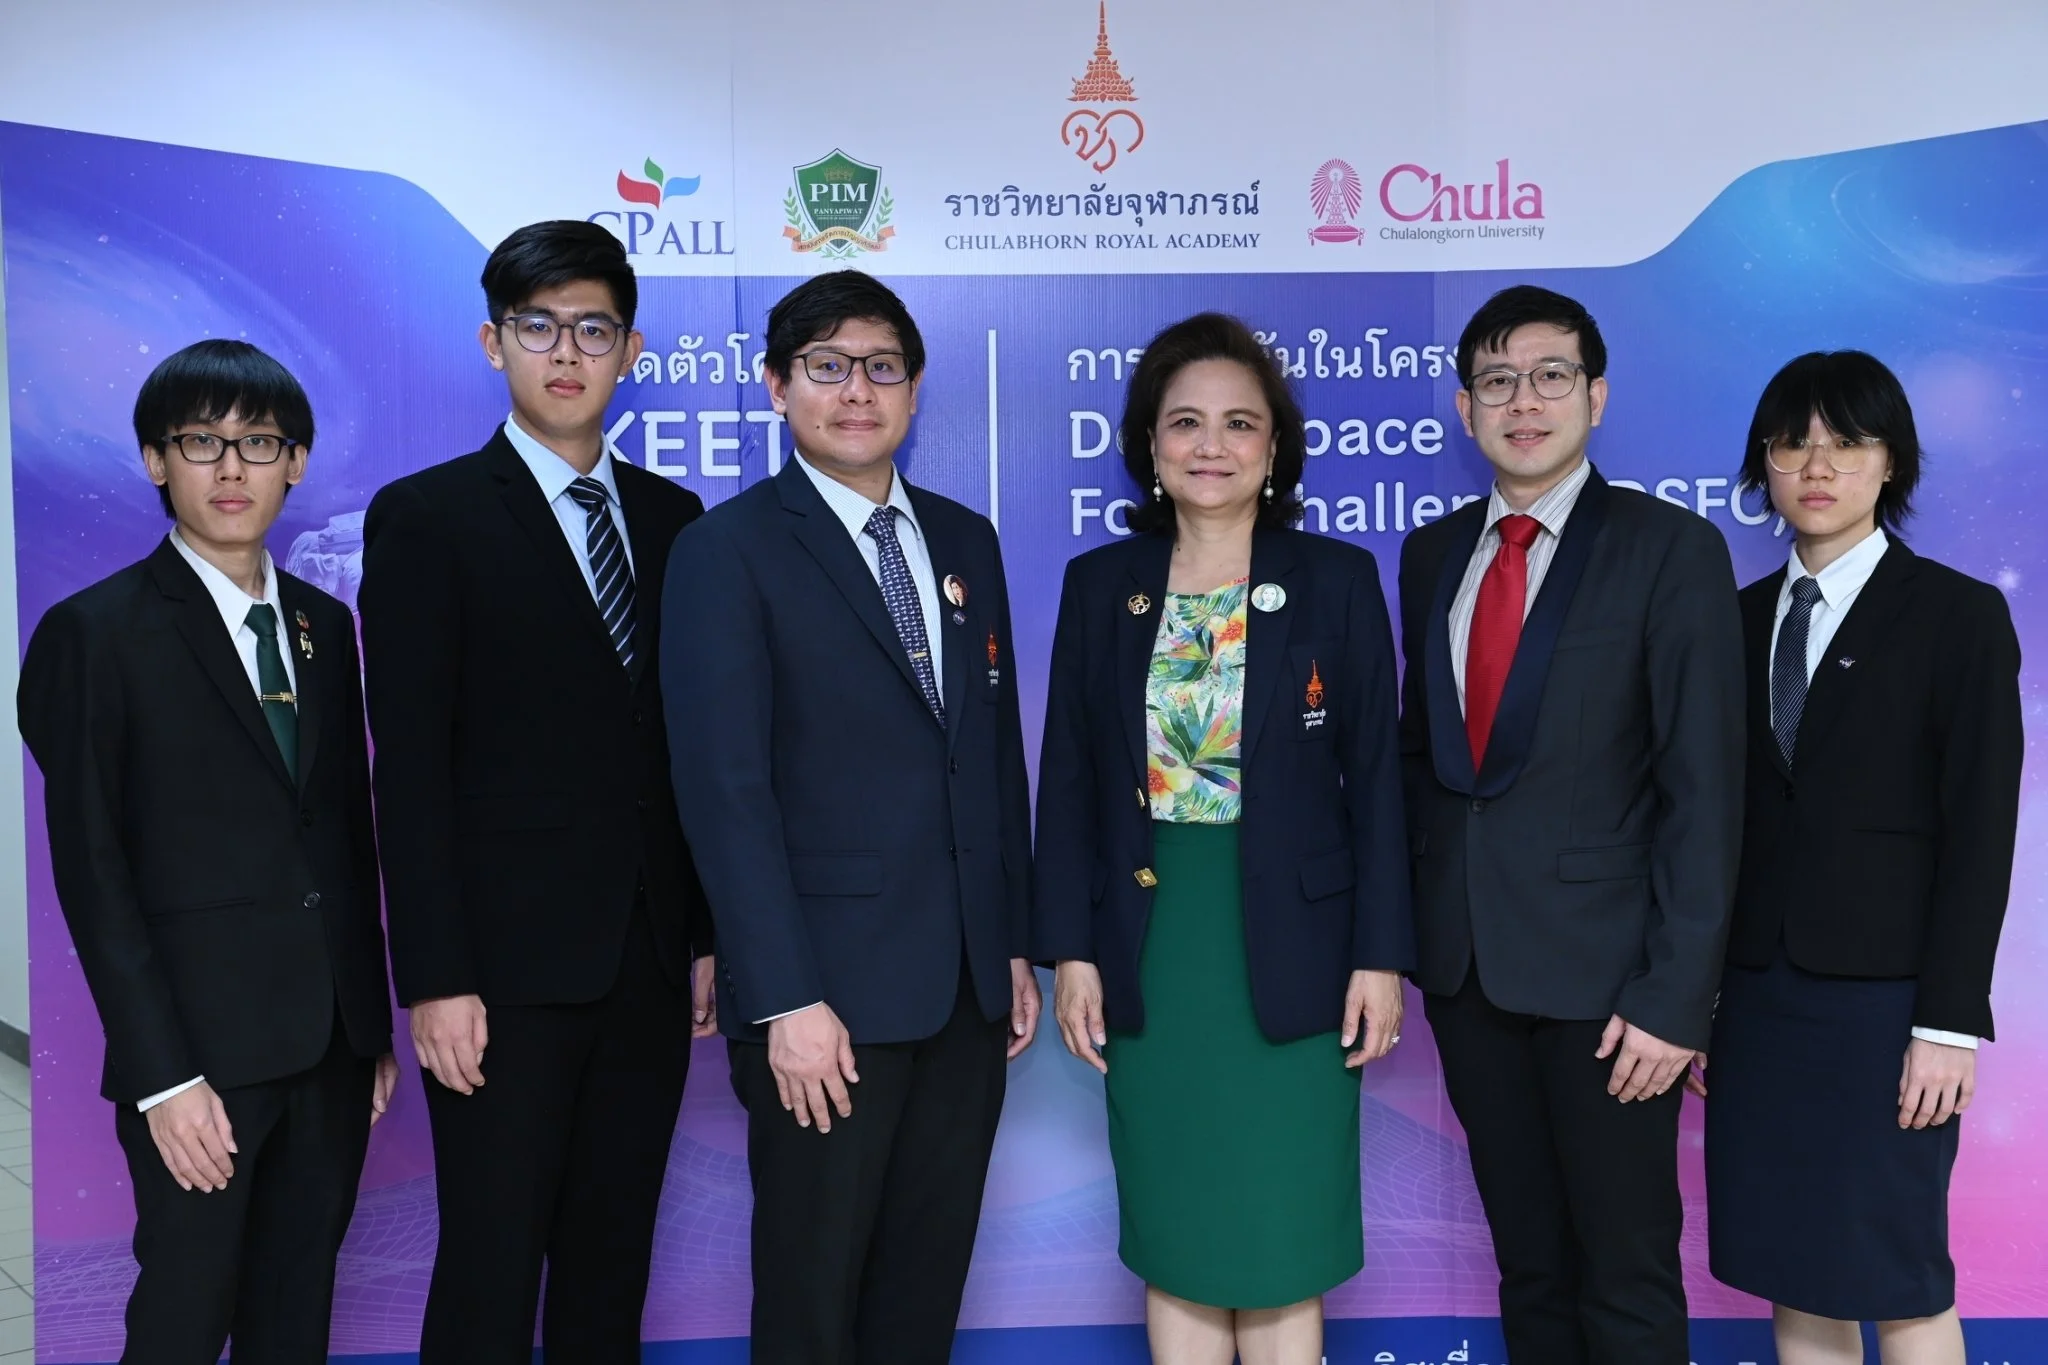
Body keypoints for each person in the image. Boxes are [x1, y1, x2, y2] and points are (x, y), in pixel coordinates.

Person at [661, 269, 1039, 1365]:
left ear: (914, 388)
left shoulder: (966, 542)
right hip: (821, 999)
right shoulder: (726, 550)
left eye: (880, 367)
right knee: (813, 1299)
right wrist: (784, 995)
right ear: (777, 386)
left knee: (921, 1297)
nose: (856, 390)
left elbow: (989, 757)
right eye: (827, 367)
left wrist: (1008, 941)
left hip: (963, 993)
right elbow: (725, 793)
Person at [357, 220, 715, 1364]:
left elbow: (686, 748)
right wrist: (436, 978)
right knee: (492, 1263)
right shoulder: (428, 516)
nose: (566, 352)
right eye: (538, 326)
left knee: (612, 1263)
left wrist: (703, 935)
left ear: (631, 352)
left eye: (593, 330)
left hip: (646, 961)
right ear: (493, 342)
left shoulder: (672, 521)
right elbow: (409, 765)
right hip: (499, 977)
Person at [1033, 312, 1412, 1365]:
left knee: (1283, 1240)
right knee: (1182, 1235)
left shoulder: (1336, 578)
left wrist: (1380, 956)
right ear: (1149, 446)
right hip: (1153, 948)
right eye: (1185, 422)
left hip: (1299, 953)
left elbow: (1380, 785)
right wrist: (1070, 950)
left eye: (1239, 423)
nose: (1211, 445)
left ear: (1274, 445)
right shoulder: (1099, 585)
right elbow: (1067, 780)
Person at [17, 340, 397, 1364]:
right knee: (184, 1317)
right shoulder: (94, 633)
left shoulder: (323, 625)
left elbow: (341, 833)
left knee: (295, 1315)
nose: (232, 468)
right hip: (198, 1059)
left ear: (296, 462)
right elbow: (93, 872)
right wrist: (162, 1077)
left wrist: (364, 1026)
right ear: (156, 459)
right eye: (202, 442)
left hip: (328, 1048)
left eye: (259, 443)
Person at [1396, 285, 1745, 1364]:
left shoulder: (1668, 548)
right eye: (1497, 380)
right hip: (1468, 976)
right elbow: (1423, 761)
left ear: (1595, 396)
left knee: (1625, 1274)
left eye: (1551, 376)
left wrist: (1675, 998)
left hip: (1613, 993)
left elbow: (1704, 787)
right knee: (1531, 1268)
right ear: (1464, 408)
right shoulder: (1431, 555)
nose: (1524, 400)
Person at [1702, 352, 2022, 1365]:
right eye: (1791, 442)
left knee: (1895, 1268)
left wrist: (1947, 1024)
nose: (1816, 466)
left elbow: (1981, 833)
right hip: (1757, 1001)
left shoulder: (1957, 616)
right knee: (1794, 1266)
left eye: (1846, 442)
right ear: (1762, 462)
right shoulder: (1731, 620)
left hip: (1886, 1007)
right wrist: (1700, 1002)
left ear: (1892, 462)